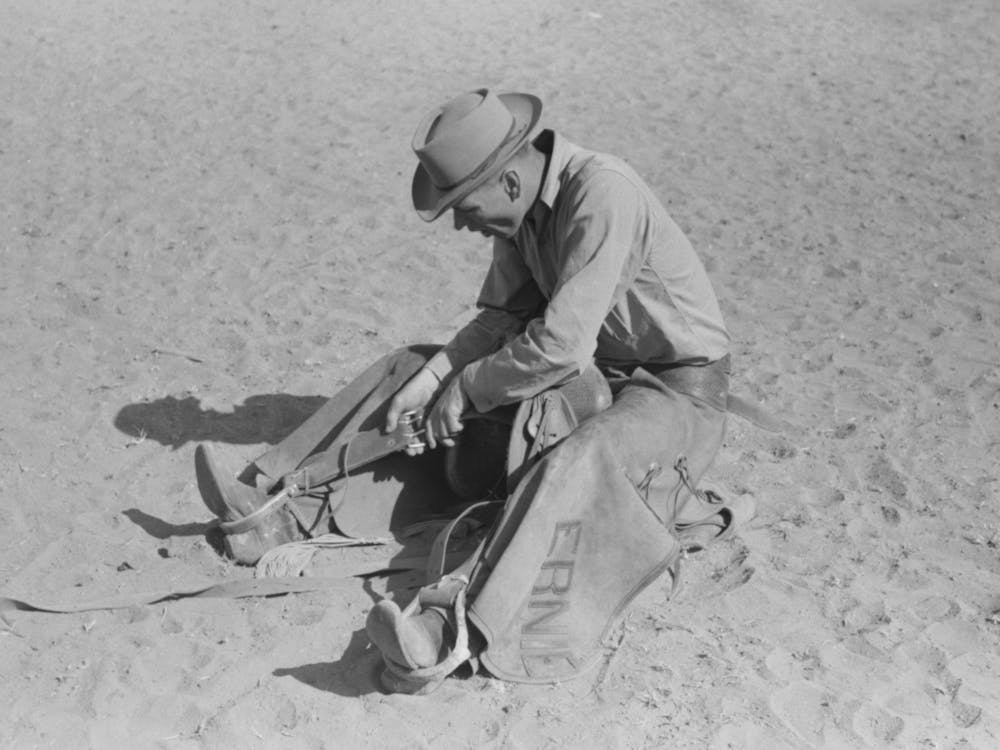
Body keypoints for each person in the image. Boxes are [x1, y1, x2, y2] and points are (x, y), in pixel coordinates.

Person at [196, 88, 753, 694]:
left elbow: (562, 346)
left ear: (509, 182)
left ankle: (447, 629)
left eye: (462, 205)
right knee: (405, 365)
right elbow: (498, 323)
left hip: (674, 396)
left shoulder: (603, 194)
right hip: (592, 377)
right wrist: (434, 379)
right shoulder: (522, 210)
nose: (460, 222)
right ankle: (277, 511)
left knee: (580, 459)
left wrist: (465, 391)